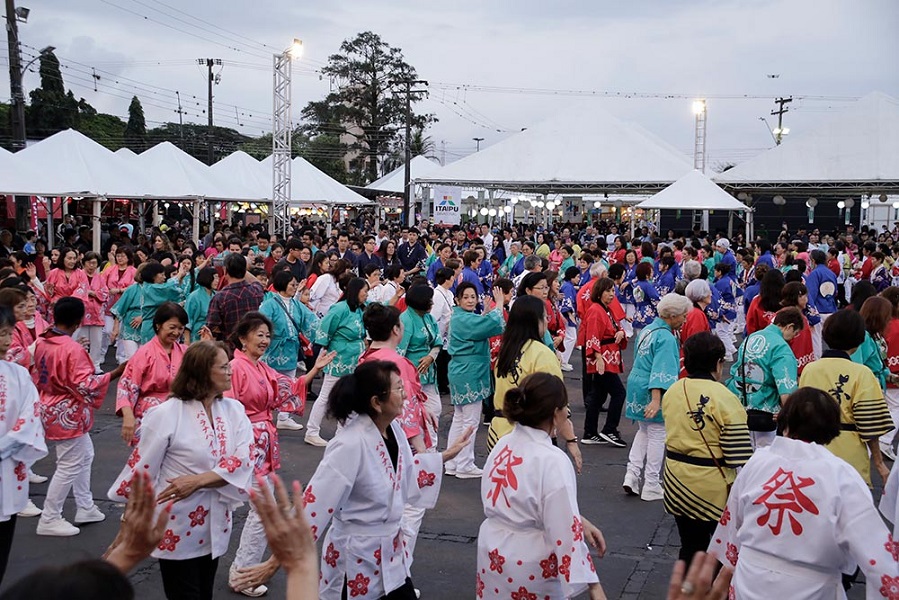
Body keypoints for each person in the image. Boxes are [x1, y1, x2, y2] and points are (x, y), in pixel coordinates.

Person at [232, 361, 472, 599]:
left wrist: (445, 456)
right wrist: (275, 563)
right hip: (356, 558)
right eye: (399, 388)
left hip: (391, 554)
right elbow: (314, 505)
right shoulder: (349, 444)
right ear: (377, 402)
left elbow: (404, 471)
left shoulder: (394, 430)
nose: (405, 394)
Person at [709, 388, 899, 599]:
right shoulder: (842, 476)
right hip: (811, 587)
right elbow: (875, 552)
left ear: (785, 423)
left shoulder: (756, 462)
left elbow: (732, 526)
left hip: (751, 580)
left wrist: (726, 574)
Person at [108, 341, 254, 600]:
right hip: (175, 521)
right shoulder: (165, 414)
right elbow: (143, 469)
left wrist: (197, 481)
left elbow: (244, 457)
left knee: (204, 590)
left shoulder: (234, 410)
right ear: (202, 373)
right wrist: (129, 521)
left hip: (215, 519)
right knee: (184, 593)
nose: (230, 370)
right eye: (223, 367)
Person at [226, 313, 332, 596]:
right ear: (242, 338)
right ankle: (241, 573)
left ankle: (243, 571)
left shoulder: (260, 368)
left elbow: (285, 389)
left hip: (260, 445)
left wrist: (313, 371)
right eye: (259, 334)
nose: (264, 340)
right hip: (245, 446)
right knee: (261, 511)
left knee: (265, 510)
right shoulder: (235, 367)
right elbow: (227, 410)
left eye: (267, 335)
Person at [478, 372, 607, 599]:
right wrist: (593, 585)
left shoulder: (504, 443)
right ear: (555, 413)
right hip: (531, 562)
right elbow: (566, 532)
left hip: (492, 554)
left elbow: (521, 499)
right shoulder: (552, 459)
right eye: (565, 407)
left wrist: (580, 519)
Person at [34, 297, 127, 537]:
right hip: (66, 411)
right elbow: (86, 384)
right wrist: (116, 372)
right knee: (69, 464)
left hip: (51, 405)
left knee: (84, 455)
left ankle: (85, 506)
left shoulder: (45, 340)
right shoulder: (70, 348)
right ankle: (50, 516)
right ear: (78, 321)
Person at [662, 332, 751, 567]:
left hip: (676, 480)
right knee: (720, 551)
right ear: (717, 363)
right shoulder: (725, 397)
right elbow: (737, 455)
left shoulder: (673, 390)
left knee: (690, 546)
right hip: (711, 487)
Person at [799, 308, 893, 487]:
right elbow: (870, 422)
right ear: (858, 340)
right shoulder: (862, 373)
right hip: (849, 453)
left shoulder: (810, 369)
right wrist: (880, 464)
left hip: (814, 451)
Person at [623, 293, 692, 501]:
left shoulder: (648, 330)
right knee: (657, 433)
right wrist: (656, 399)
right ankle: (651, 483)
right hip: (652, 388)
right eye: (683, 315)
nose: (685, 319)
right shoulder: (665, 337)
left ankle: (632, 474)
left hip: (637, 383)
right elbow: (661, 370)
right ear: (672, 315)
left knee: (643, 431)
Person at [0, 304, 47, 583]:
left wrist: (5, 446)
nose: (6, 341)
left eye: (8, 333)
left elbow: (31, 416)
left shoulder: (18, 374)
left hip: (7, 468)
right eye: (0, 334)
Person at [445, 282, 505, 479]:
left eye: (473, 296)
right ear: (458, 300)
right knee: (469, 420)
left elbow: (479, 326)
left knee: (460, 418)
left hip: (462, 369)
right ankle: (464, 463)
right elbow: (492, 326)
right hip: (469, 371)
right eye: (466, 297)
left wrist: (486, 312)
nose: (471, 300)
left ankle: (453, 461)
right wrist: (500, 303)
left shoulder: (461, 317)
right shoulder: (463, 319)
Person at [304, 277, 368, 447]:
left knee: (350, 396)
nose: (366, 295)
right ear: (356, 291)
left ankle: (343, 431)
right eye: (365, 291)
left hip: (354, 358)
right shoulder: (339, 309)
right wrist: (322, 355)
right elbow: (324, 330)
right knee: (326, 395)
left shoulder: (359, 310)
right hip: (338, 357)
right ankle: (311, 431)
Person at [726, 307, 802, 449]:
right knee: (765, 463)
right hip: (766, 415)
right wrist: (788, 413)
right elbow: (787, 390)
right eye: (795, 333)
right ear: (789, 327)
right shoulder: (781, 348)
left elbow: (736, 370)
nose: (793, 338)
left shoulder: (750, 338)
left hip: (739, 408)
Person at [115, 302, 189, 446]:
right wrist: (128, 416)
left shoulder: (185, 352)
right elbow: (126, 386)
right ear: (158, 325)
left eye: (181, 328)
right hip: (150, 417)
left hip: (179, 417)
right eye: (172, 327)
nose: (177, 332)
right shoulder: (144, 353)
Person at [582, 278, 628, 447]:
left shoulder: (605, 310)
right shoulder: (596, 310)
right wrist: (598, 357)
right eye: (608, 291)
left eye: (613, 291)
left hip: (608, 357)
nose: (611, 294)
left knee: (598, 396)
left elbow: (617, 328)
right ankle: (610, 429)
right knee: (619, 393)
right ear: (599, 292)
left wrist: (621, 333)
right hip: (603, 359)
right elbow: (592, 335)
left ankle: (590, 431)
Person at [397, 284, 443, 447]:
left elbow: (438, 341)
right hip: (410, 376)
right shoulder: (405, 320)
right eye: (429, 300)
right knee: (412, 414)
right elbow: (399, 352)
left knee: (434, 410)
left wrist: (431, 356)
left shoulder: (429, 318)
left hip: (429, 373)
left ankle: (431, 450)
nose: (432, 303)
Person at [207, 253, 265, 342]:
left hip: (230, 350)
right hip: (253, 346)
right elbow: (257, 283)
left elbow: (213, 331)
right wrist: (241, 268)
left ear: (225, 270)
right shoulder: (256, 291)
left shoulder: (220, 298)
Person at [851, 295, 893, 391]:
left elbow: (877, 364)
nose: (889, 320)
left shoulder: (873, 335)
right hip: (867, 390)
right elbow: (857, 368)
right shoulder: (863, 337)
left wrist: (890, 377)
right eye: (887, 316)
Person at [79, 251, 109, 372]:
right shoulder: (79, 275)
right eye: (89, 263)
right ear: (84, 263)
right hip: (82, 312)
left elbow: (105, 293)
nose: (91, 266)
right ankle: (83, 364)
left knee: (97, 341)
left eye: (94, 263)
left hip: (97, 313)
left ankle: (95, 364)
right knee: (83, 340)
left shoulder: (100, 278)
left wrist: (93, 293)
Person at [779, 282, 815, 375]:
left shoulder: (799, 314)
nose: (807, 300)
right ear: (797, 297)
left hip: (802, 364)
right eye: (805, 296)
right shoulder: (787, 317)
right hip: (793, 368)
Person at [184, 267, 217, 343]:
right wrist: (187, 344)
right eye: (215, 278)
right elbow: (187, 321)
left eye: (218, 278)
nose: (217, 281)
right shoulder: (194, 297)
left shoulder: (216, 295)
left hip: (213, 336)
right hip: (197, 336)